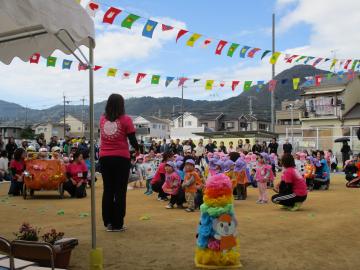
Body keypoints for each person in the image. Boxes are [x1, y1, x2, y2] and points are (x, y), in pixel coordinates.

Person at [99, 94, 139, 232]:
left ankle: (108, 222)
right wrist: (138, 149)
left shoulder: (102, 119)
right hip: (121, 158)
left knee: (108, 190)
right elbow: (132, 140)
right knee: (120, 191)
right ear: (121, 105)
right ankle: (118, 223)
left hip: (104, 158)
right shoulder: (126, 119)